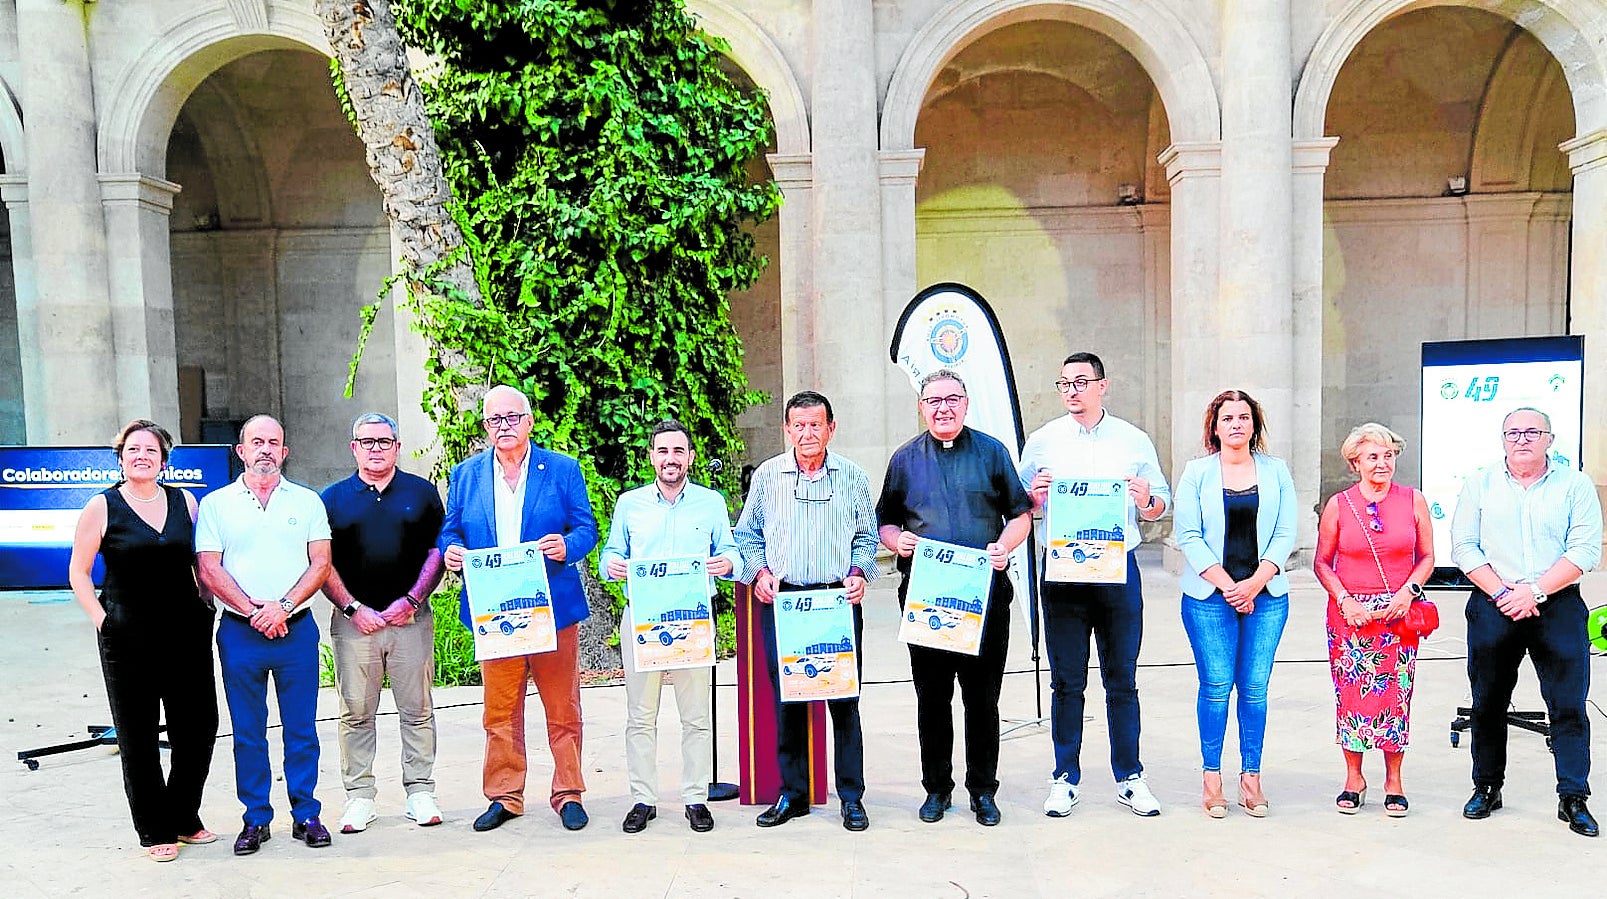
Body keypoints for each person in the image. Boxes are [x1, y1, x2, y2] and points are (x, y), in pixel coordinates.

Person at [440, 384, 599, 833]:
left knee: (563, 708)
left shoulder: (562, 469)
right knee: (500, 711)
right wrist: (451, 551)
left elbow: (586, 527)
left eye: (512, 417)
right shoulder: (466, 475)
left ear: (529, 421)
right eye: (494, 420)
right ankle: (505, 796)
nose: (503, 426)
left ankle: (568, 792)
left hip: (551, 608)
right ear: (486, 427)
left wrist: (567, 545)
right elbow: (450, 532)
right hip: (495, 611)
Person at [876, 370, 1032, 826]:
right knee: (933, 698)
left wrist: (1005, 545)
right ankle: (937, 789)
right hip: (926, 601)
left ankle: (983, 790)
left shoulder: (991, 452)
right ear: (921, 407)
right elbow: (885, 520)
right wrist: (896, 541)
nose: (943, 408)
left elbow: (1020, 514)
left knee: (983, 701)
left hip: (984, 598)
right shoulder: (905, 458)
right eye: (933, 401)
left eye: (952, 399)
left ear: (966, 403)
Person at [1018, 351, 1170, 818]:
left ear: (1103, 385)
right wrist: (1033, 497)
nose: (1073, 392)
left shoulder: (1133, 440)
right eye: (1064, 384)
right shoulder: (1043, 442)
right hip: (1062, 574)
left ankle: (1130, 776)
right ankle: (1065, 777)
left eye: (1081, 382)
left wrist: (1148, 500)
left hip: (1117, 570)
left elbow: (1161, 504)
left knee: (1122, 679)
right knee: (1067, 681)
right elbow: (1020, 506)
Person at [67, 420, 218, 862]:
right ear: (121, 458)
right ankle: (154, 830)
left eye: (151, 450)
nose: (141, 456)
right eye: (133, 450)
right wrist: (103, 621)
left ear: (164, 461)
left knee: (199, 726)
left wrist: (206, 603)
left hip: (186, 632)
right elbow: (78, 572)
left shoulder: (184, 501)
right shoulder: (102, 506)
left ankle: (184, 816)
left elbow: (199, 562)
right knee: (138, 735)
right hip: (127, 635)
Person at [1451, 407, 1602, 837]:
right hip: (1492, 602)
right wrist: (1502, 592)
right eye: (1513, 432)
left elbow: (1585, 550)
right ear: (1502, 440)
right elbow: (1464, 546)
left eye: (1532, 432)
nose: (1522, 439)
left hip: (1557, 605)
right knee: (1488, 702)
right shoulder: (1478, 484)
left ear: (1550, 439)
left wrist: (1533, 592)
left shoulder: (1575, 485)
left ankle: (1573, 796)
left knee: (1569, 706)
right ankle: (1487, 786)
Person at [735, 390, 879, 831]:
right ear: (787, 429)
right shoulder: (768, 476)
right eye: (799, 425)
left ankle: (852, 797)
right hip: (785, 603)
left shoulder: (852, 477)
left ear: (831, 428)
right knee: (789, 701)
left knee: (843, 702)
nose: (807, 433)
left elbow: (868, 538)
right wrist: (759, 573)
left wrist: (859, 573)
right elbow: (747, 536)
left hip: (836, 601)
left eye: (816, 424)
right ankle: (792, 794)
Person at [195, 414, 334, 854]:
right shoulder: (217, 504)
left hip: (295, 631)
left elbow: (321, 564)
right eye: (257, 442)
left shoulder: (307, 501)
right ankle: (255, 818)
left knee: (301, 729)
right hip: (240, 632)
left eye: (274, 442)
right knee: (248, 732)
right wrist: (254, 610)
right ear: (240, 450)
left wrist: (283, 607)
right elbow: (209, 568)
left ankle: (306, 814)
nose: (265, 450)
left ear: (285, 451)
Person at [600, 419, 743, 834]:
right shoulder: (630, 504)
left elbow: (731, 550)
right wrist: (611, 564)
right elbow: (611, 552)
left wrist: (728, 563)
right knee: (640, 714)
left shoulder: (711, 502)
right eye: (663, 451)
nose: (670, 459)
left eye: (678, 451)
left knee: (696, 715)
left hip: (692, 619)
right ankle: (643, 798)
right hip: (642, 617)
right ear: (651, 457)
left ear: (690, 458)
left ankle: (696, 797)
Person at [1173, 391, 1297, 818]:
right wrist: (1231, 587)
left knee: (1256, 690)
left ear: (1254, 424)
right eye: (1228, 418)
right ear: (1215, 426)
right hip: (1210, 598)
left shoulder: (1277, 471)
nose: (1237, 425)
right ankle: (1212, 779)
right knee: (1216, 688)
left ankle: (1251, 777)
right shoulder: (1196, 473)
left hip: (1266, 597)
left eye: (1244, 417)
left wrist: (1254, 584)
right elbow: (1188, 535)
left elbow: (1285, 533)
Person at [320, 413, 446, 834]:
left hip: (411, 620)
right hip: (355, 623)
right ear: (354, 447)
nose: (376, 448)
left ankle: (420, 790)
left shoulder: (422, 493)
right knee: (356, 712)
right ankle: (359, 797)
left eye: (384, 441)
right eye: (367, 441)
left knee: (418, 709)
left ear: (397, 446)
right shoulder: (333, 499)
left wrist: (412, 600)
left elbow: (437, 552)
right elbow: (322, 563)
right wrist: (354, 608)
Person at [1312, 422, 1433, 817]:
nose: (1381, 464)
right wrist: (1345, 600)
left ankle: (1394, 780)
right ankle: (1354, 778)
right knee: (1352, 696)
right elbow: (1322, 562)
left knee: (1396, 696)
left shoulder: (1414, 500)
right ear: (1355, 462)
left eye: (1388, 455)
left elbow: (1427, 558)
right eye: (1372, 457)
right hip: (1351, 616)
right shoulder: (1340, 505)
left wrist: (1407, 593)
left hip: (1398, 616)